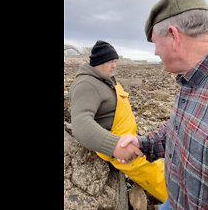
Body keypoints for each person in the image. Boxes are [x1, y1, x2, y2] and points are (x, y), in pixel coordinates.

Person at [117, 0, 208, 210]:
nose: (154, 52)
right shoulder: (190, 78)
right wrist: (142, 143)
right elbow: (178, 129)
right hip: (174, 199)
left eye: (155, 42)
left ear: (174, 35)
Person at [69, 40, 167, 202]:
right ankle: (182, 200)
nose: (114, 65)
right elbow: (80, 123)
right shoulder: (86, 84)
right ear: (98, 62)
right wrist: (114, 146)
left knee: (161, 165)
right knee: (156, 173)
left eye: (115, 61)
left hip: (129, 137)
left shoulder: (104, 79)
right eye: (109, 61)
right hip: (119, 145)